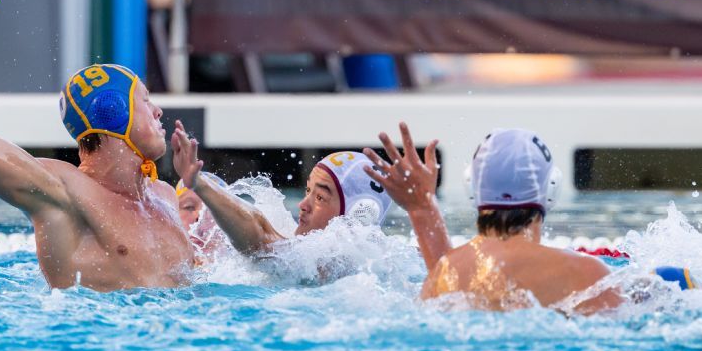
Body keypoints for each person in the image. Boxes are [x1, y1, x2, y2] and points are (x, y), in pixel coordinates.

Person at [0, 20, 194, 291]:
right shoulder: (64, 193)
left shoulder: (166, 196)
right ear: (115, 110)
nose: (158, 111)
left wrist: (201, 186)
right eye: (145, 100)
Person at [365, 123, 621, 315]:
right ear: (551, 188)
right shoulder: (587, 275)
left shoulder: (442, 277)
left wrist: (420, 207)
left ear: (472, 188)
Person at [171, 120, 392, 257]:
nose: (303, 205)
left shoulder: (332, 261)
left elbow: (260, 240)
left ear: (355, 215)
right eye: (307, 191)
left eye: (320, 198)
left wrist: (199, 184)